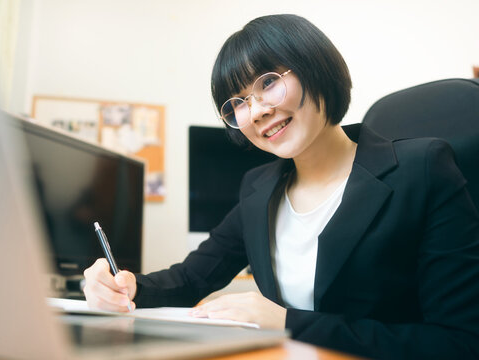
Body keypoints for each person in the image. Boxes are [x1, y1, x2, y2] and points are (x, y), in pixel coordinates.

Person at [82, 14, 479, 359]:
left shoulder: (422, 170)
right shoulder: (259, 188)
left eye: (268, 82)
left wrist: (287, 322)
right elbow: (190, 279)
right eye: (237, 102)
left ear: (317, 67)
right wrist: (126, 286)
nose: (255, 111)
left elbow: (460, 343)